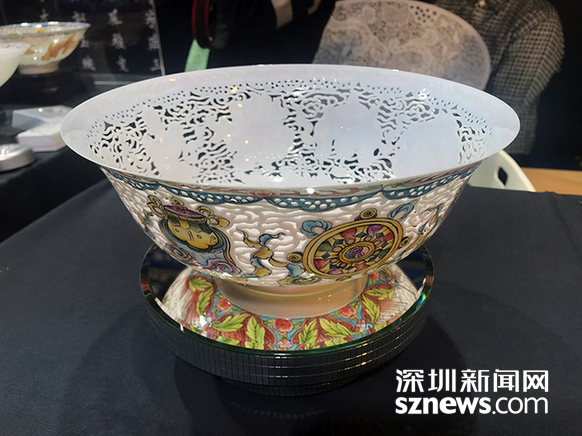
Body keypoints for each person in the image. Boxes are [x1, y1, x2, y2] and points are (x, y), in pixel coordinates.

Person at [428, 0, 565, 155]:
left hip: (494, 150)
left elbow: (503, 111)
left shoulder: (539, 19)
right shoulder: (446, 3)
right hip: (428, 137)